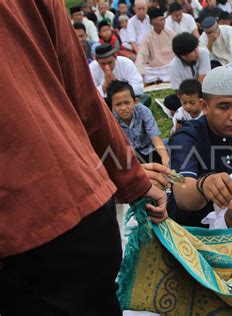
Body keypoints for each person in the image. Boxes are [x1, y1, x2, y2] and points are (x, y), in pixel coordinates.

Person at [0, 1, 167, 314]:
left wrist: (133, 179)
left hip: (33, 228)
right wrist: (134, 181)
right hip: (80, 214)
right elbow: (83, 93)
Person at [167, 66, 232, 227]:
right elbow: (180, 193)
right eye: (224, 107)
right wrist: (203, 185)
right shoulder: (183, 138)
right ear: (204, 106)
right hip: (195, 227)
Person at [108, 80, 170, 166]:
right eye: (118, 104)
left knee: (166, 154)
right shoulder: (111, 119)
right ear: (112, 106)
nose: (123, 108)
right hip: (128, 155)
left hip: (149, 149)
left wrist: (165, 158)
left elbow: (155, 137)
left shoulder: (143, 111)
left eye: (127, 102)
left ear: (135, 101)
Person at [165, 32, 212, 111]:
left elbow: (202, 80)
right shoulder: (173, 66)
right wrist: (192, 101)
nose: (197, 52)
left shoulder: (203, 53)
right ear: (182, 55)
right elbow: (179, 92)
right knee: (170, 101)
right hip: (188, 95)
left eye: (196, 47)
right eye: (192, 51)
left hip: (203, 89)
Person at [135, 8, 175, 83]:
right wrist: (140, 71)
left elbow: (178, 48)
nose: (163, 22)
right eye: (160, 20)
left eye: (163, 20)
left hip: (171, 66)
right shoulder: (147, 37)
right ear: (152, 22)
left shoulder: (170, 33)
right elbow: (142, 54)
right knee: (144, 70)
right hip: (155, 69)